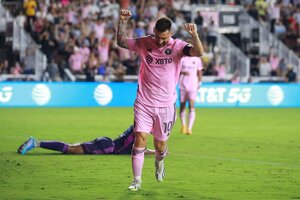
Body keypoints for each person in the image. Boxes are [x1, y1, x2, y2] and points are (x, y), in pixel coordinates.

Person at [117, 9, 204, 191]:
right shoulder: (144, 42)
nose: (159, 41)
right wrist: (122, 22)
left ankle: (159, 161)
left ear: (170, 34)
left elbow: (198, 52)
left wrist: (195, 35)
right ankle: (137, 180)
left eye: (164, 38)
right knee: (140, 138)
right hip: (144, 102)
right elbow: (121, 42)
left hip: (166, 105)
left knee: (160, 145)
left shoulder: (178, 46)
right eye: (157, 37)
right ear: (154, 32)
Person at [17, 125, 154, 155]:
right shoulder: (139, 132)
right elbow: (138, 150)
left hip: (106, 143)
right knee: (70, 149)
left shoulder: (139, 132)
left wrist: (156, 152)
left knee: (71, 147)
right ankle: (36, 143)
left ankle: (37, 143)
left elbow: (141, 149)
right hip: (106, 147)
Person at [178, 56, 203, 135]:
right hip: (182, 85)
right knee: (182, 106)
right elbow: (176, 70)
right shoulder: (182, 58)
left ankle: (189, 128)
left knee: (191, 106)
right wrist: (182, 72)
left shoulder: (197, 59)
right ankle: (183, 126)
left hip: (193, 85)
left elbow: (199, 72)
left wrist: (199, 82)